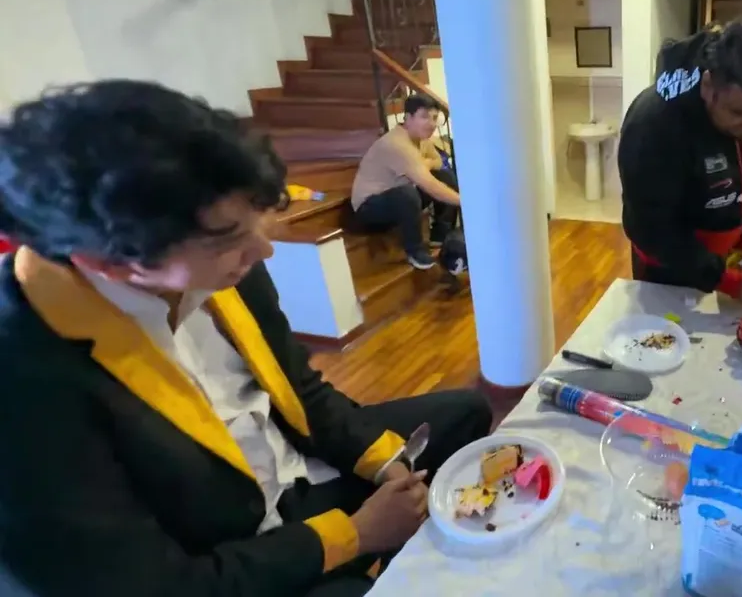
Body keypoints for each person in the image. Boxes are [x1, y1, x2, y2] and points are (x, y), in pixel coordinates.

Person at [0, 81, 493, 597]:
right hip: (229, 554)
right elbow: (156, 586)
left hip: (295, 474)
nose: (263, 251)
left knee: (464, 414)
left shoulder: (228, 268)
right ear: (112, 263)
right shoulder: (24, 385)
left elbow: (300, 387)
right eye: (229, 239)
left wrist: (388, 464)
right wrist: (355, 535)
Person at [619, 19, 742, 307]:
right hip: (667, 263)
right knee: (665, 329)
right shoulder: (653, 123)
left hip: (728, 255)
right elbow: (650, 226)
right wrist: (725, 281)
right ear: (708, 84)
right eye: (738, 113)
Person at [350, 94, 460, 270]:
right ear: (408, 118)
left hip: (397, 201)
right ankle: (415, 252)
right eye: (424, 117)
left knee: (444, 176)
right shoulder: (396, 144)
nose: (431, 124)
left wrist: (425, 164)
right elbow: (430, 186)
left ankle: (440, 236)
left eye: (434, 118)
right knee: (407, 194)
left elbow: (438, 161)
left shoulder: (421, 140)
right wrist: (465, 202)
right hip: (369, 209)